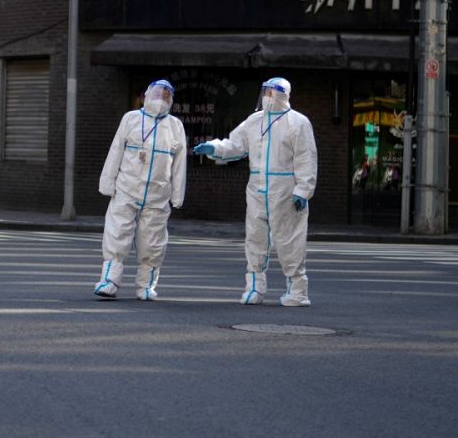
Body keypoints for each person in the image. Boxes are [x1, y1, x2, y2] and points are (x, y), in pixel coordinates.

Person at [191, 77, 317, 307]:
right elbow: (236, 145)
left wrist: (303, 189)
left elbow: (306, 158)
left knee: (290, 239)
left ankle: (297, 290)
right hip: (257, 187)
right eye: (265, 91)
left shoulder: (298, 123)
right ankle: (254, 288)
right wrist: (215, 148)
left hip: (285, 189)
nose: (267, 96)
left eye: (271, 92)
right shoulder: (254, 121)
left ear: (282, 94)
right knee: (255, 238)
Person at [93, 79, 188, 301]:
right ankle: (109, 281)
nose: (161, 99)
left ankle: (146, 285)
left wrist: (177, 194)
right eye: (157, 93)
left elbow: (180, 162)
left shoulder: (175, 125)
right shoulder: (131, 119)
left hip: (158, 193)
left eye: (166, 96)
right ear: (146, 95)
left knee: (152, 242)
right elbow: (116, 149)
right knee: (117, 233)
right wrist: (108, 182)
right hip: (127, 188)